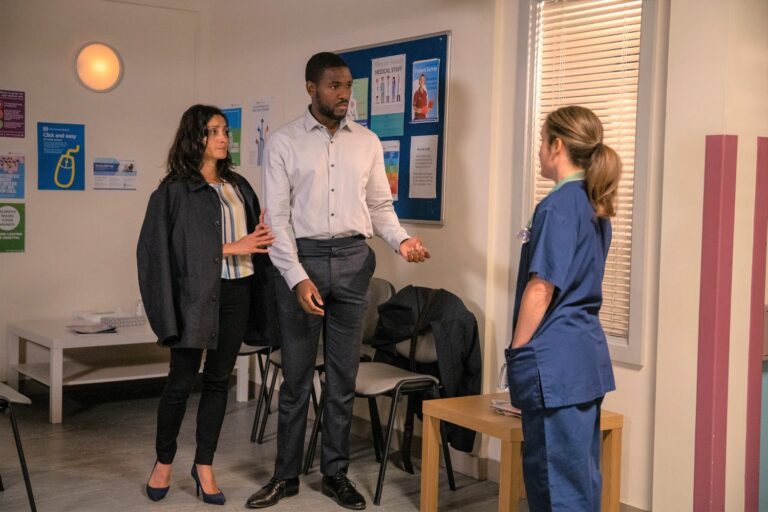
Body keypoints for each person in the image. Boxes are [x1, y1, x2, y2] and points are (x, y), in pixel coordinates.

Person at [245, 52, 430, 511]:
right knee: (297, 378)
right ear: (311, 88)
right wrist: (295, 278)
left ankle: (335, 473)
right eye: (334, 86)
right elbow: (278, 220)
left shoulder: (367, 142)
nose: (344, 94)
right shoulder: (284, 143)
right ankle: (284, 477)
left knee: (343, 378)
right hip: (301, 261)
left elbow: (381, 209)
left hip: (352, 261)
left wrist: (401, 242)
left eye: (348, 85)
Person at [138, 104, 276, 505]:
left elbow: (254, 238)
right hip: (195, 295)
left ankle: (204, 465)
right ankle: (163, 463)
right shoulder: (173, 191)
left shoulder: (238, 186)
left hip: (238, 292)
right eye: (213, 131)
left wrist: (262, 235)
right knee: (180, 382)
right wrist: (236, 246)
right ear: (194, 136)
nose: (222, 137)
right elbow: (165, 253)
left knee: (219, 380)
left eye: (225, 131)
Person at [505, 105, 620, 511]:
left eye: (541, 141)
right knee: (580, 479)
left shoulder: (557, 206)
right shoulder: (594, 203)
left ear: (557, 145)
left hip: (555, 364)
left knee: (555, 485)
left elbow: (541, 289)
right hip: (584, 360)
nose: (538, 150)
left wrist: (517, 353)